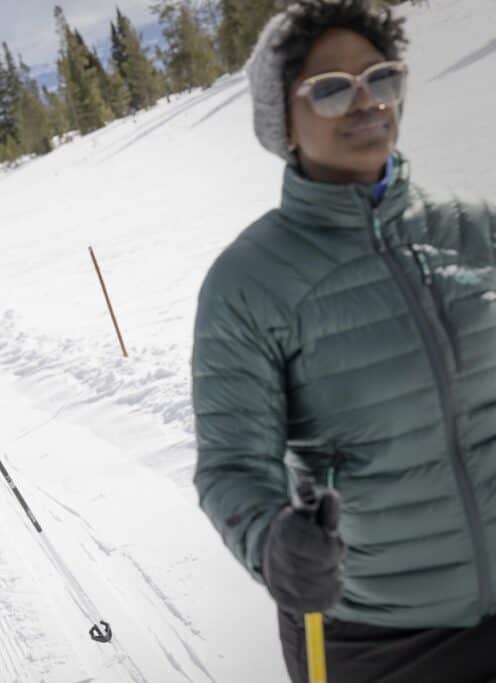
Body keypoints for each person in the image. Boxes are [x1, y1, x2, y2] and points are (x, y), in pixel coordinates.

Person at [190, 2, 496, 682]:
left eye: (381, 79)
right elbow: (230, 465)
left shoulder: (473, 226)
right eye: (330, 89)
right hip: (378, 635)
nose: (366, 103)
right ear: (283, 123)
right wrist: (273, 542)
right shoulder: (249, 282)